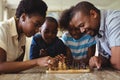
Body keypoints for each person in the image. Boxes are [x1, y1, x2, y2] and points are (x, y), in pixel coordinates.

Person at [0, 0, 54, 73]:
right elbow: (1, 66)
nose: (38, 30)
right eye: (36, 24)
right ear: (23, 17)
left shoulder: (22, 35)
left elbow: (17, 66)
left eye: (40, 26)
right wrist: (36, 61)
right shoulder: (2, 29)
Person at [66, 1, 120, 70]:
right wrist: (98, 60)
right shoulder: (96, 29)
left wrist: (109, 61)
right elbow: (105, 57)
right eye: (79, 28)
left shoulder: (115, 20)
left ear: (93, 14)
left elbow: (117, 63)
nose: (82, 30)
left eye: (82, 25)